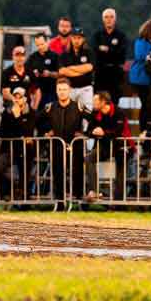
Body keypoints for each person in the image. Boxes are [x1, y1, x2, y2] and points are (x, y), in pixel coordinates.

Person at [40, 78, 87, 207]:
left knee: (77, 173)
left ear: (70, 90)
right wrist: (46, 131)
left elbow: (93, 120)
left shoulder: (78, 106)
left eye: (64, 89)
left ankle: (79, 201)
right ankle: (60, 202)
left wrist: (85, 134)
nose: (62, 92)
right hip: (56, 147)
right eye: (59, 90)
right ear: (56, 91)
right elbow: (37, 121)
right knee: (58, 174)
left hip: (75, 147)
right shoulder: (50, 107)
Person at [0, 87, 36, 205]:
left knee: (25, 176)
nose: (17, 100)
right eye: (15, 97)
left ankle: (24, 200)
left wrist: (18, 118)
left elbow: (28, 132)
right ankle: (12, 187)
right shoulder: (7, 113)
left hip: (26, 151)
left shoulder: (31, 113)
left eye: (20, 97)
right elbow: (2, 132)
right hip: (9, 149)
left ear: (25, 99)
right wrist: (18, 133)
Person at [86, 90, 127, 201]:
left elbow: (118, 132)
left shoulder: (119, 112)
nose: (93, 102)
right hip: (105, 146)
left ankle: (118, 202)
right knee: (89, 158)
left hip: (121, 146)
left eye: (95, 100)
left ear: (103, 102)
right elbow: (88, 131)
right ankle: (94, 191)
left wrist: (103, 132)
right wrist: (94, 131)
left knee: (121, 166)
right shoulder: (95, 113)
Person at [130, 13, 151, 128]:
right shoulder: (141, 41)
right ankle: (144, 130)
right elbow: (141, 56)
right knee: (146, 105)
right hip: (142, 79)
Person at [91, 8, 128, 105]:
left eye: (111, 17)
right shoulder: (97, 35)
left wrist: (105, 50)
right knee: (99, 101)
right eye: (106, 17)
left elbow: (121, 55)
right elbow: (94, 53)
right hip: (100, 73)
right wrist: (113, 51)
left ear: (115, 19)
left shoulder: (121, 36)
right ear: (103, 19)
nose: (109, 19)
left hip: (115, 73)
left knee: (114, 102)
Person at [58, 27, 94, 112]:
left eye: (79, 38)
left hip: (86, 88)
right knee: (70, 114)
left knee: (87, 112)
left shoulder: (89, 52)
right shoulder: (64, 54)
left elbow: (89, 67)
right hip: (70, 89)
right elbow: (62, 71)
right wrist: (82, 71)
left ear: (83, 39)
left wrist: (70, 68)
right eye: (74, 38)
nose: (76, 40)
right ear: (70, 38)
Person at [25, 32, 60, 108]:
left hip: (52, 92)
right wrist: (33, 74)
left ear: (47, 41)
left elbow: (61, 74)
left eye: (42, 44)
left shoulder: (55, 56)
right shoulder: (32, 57)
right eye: (37, 45)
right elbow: (26, 72)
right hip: (37, 93)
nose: (40, 47)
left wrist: (50, 73)